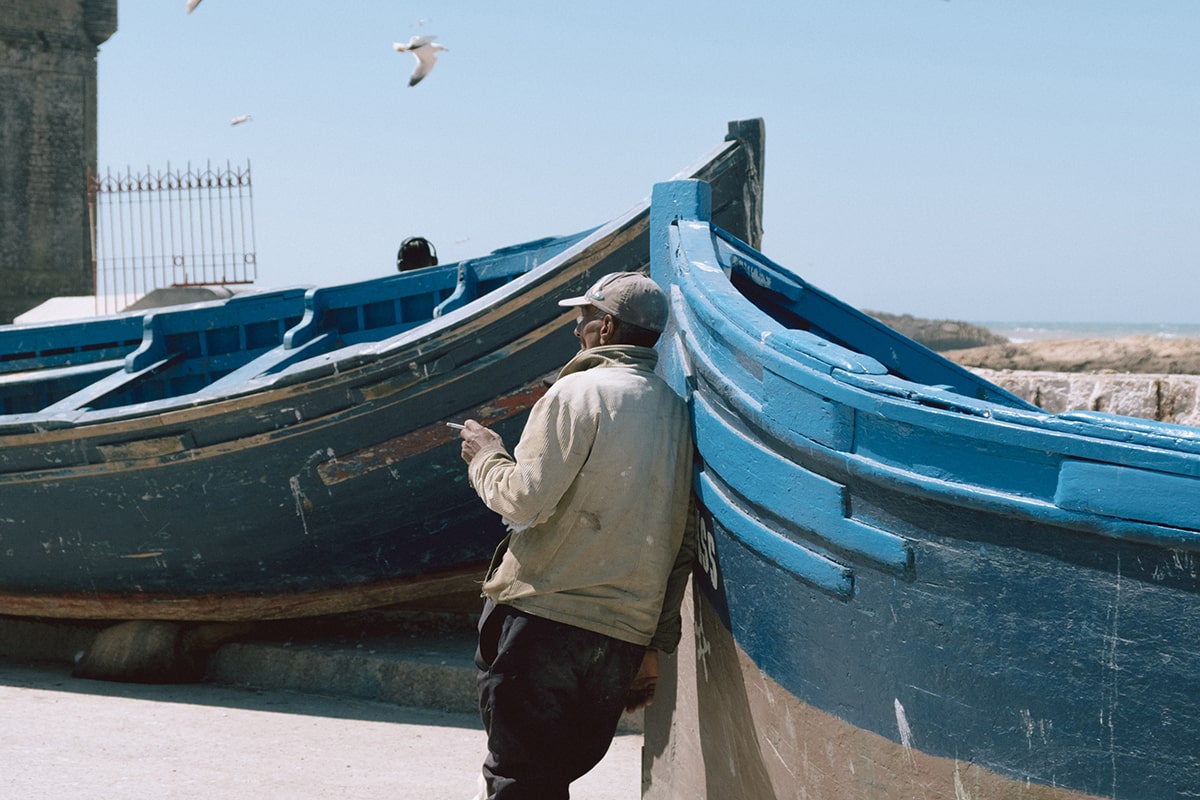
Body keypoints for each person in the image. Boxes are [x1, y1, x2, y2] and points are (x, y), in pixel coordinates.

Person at [456, 271, 696, 799]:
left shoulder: (577, 392)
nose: (577, 330)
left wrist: (487, 455)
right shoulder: (678, 415)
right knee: (549, 777)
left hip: (543, 624)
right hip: (622, 639)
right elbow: (680, 544)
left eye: (583, 319)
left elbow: (522, 500)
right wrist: (654, 645)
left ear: (606, 327)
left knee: (519, 776)